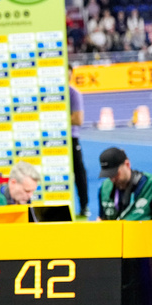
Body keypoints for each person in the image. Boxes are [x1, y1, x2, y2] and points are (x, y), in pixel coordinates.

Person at [97, 147, 152, 221]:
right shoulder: (105, 187)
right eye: (109, 175)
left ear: (127, 164)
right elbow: (101, 220)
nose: (113, 179)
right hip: (115, 232)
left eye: (116, 174)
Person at [68, 83, 89, 217]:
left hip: (72, 138)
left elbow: (78, 119)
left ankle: (84, 206)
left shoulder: (73, 93)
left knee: (79, 173)